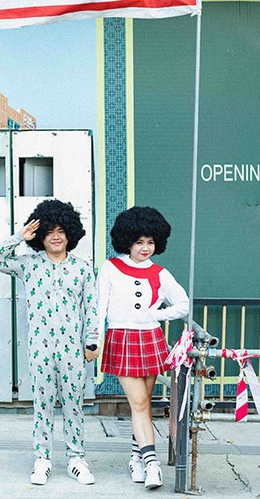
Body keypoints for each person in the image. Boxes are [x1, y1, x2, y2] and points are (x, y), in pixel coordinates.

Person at [0, 199, 98, 486]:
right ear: (40, 235)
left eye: (61, 230)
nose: (56, 236)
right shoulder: (28, 265)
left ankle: (76, 458)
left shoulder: (82, 269)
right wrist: (18, 237)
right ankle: (43, 459)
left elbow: (92, 308)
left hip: (73, 350)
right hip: (40, 349)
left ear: (70, 233)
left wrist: (91, 342)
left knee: (74, 404)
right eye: (49, 231)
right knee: (43, 404)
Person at [96, 206, 189, 490]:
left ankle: (136, 457)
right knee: (138, 404)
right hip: (121, 338)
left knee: (143, 406)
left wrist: (155, 315)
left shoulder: (161, 273)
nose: (145, 248)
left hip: (150, 339)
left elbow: (183, 304)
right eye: (139, 242)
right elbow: (99, 308)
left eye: (150, 242)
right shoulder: (110, 267)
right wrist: (93, 340)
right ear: (127, 241)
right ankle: (152, 464)